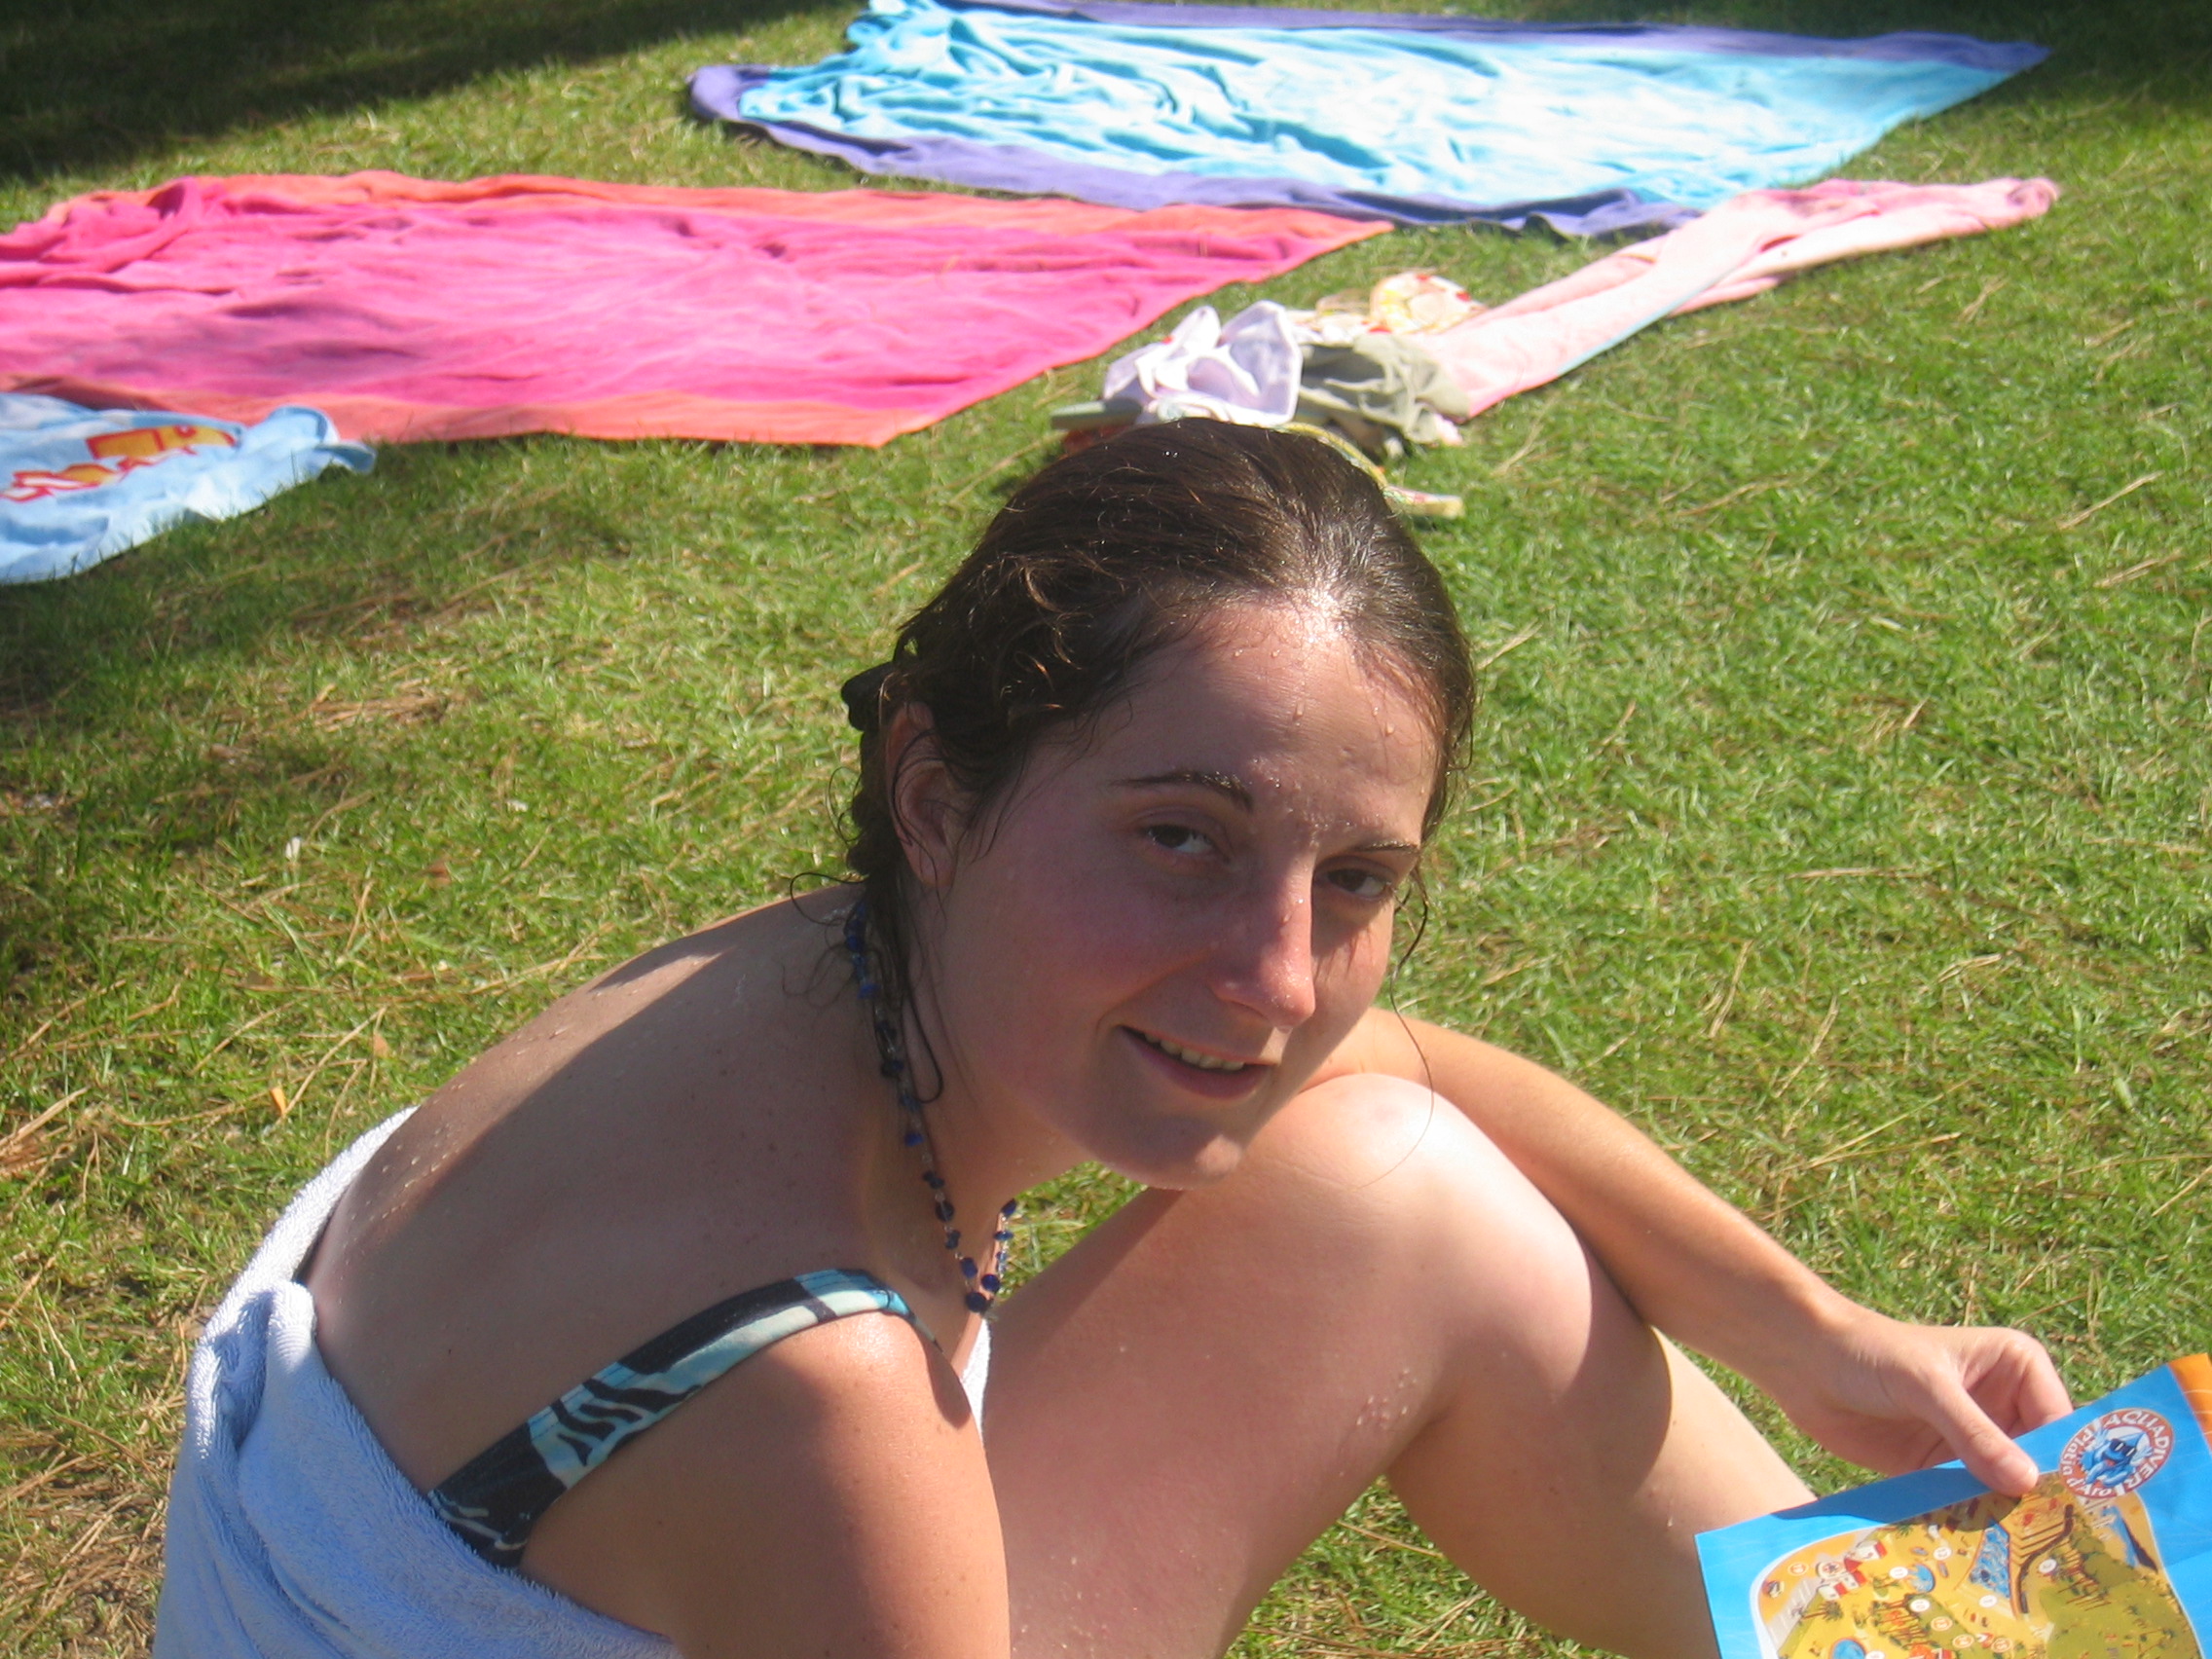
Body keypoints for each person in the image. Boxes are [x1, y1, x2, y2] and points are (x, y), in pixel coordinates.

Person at [155, 421, 2071, 1659]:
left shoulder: (806, 978)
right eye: (1182, 841)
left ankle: (1943, 1640)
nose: (1278, 978)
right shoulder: (816, 1396)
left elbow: (1406, 1076)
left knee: (1397, 1192)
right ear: (934, 790)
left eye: (1352, 879)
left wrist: (1815, 1334)